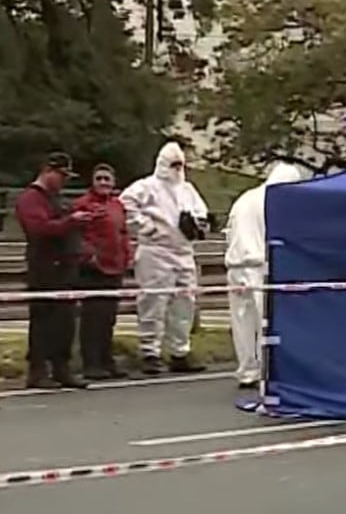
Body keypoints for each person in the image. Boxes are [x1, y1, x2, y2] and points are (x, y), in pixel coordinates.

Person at [120, 142, 209, 375]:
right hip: (155, 252)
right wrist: (147, 227)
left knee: (184, 304)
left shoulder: (187, 189)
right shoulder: (147, 187)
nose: (177, 168)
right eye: (174, 164)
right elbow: (125, 204)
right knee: (154, 303)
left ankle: (179, 351)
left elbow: (201, 212)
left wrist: (198, 225)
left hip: (183, 252)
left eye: (180, 164)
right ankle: (150, 351)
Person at [14, 153, 91, 389]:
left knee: (65, 322)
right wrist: (71, 222)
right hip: (45, 269)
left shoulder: (57, 199)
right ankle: (38, 370)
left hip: (65, 268)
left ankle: (61, 367)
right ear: (47, 171)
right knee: (43, 321)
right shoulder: (30, 199)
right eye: (61, 175)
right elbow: (39, 229)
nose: (63, 181)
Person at [224, 163, 303, 389]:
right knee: (265, 320)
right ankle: (269, 369)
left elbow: (229, 231)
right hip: (260, 265)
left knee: (242, 322)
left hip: (235, 265)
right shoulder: (277, 201)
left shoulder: (245, 198)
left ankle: (248, 370)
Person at [74, 164, 133, 380]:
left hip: (115, 266)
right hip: (93, 269)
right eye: (99, 178)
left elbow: (123, 232)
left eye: (107, 179)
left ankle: (107, 360)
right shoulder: (83, 204)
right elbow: (75, 233)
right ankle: (91, 363)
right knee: (92, 318)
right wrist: (88, 255)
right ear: (93, 181)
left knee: (108, 318)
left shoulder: (117, 205)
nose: (103, 183)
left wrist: (127, 255)